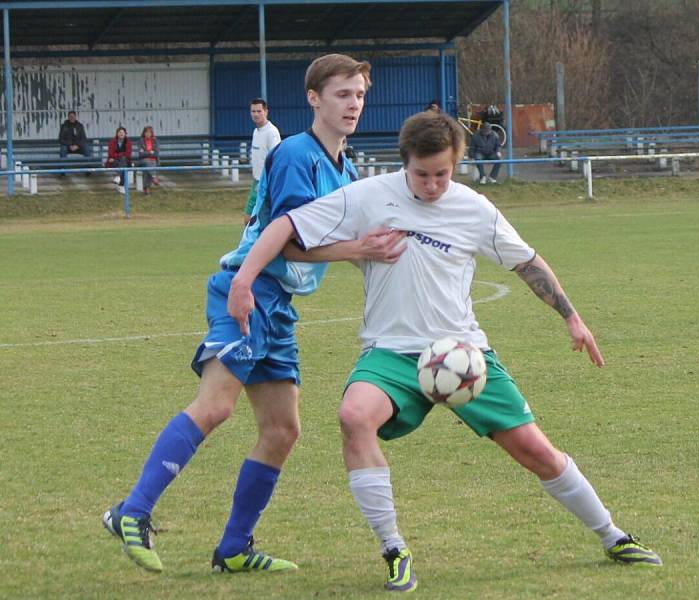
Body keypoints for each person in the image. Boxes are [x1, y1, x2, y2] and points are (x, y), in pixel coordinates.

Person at [228, 110, 663, 593]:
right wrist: (245, 279)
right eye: (422, 174)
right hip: (391, 353)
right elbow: (283, 226)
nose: (433, 185)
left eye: (443, 174)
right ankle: (394, 548)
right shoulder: (368, 195)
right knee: (354, 416)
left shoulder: (474, 208)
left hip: (462, 354)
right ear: (404, 163)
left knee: (537, 452)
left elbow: (527, 262)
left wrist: (572, 317)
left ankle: (613, 535)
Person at [101, 53, 406, 575]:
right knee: (215, 405)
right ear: (313, 98)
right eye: (341, 94)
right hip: (250, 290)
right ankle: (133, 511)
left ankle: (235, 548)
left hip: (280, 306)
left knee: (282, 429)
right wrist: (357, 249)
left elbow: (360, 235)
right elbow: (287, 242)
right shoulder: (296, 155)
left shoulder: (347, 168)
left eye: (359, 94)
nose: (353, 103)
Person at [243, 98, 281, 223]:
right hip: (257, 181)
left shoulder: (271, 132)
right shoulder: (256, 131)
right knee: (250, 220)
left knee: (253, 219)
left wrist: (269, 182)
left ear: (266, 112)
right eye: (253, 111)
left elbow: (277, 159)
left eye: (259, 111)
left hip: (266, 183)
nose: (255, 114)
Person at [106, 127, 133, 193]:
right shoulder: (112, 141)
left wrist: (117, 155)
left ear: (125, 134)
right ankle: (121, 186)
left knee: (123, 161)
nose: (121, 134)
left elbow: (128, 154)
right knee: (124, 165)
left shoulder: (128, 142)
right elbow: (110, 153)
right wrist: (121, 154)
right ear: (117, 134)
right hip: (113, 162)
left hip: (122, 161)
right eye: (119, 132)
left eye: (122, 132)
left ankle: (118, 176)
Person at [138, 126, 160, 195]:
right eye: (146, 132)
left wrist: (146, 152)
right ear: (144, 133)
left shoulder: (155, 140)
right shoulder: (141, 141)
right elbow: (140, 154)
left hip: (153, 160)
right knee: (147, 162)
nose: (148, 134)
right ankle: (154, 177)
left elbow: (156, 153)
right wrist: (150, 152)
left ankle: (146, 189)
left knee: (147, 169)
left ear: (152, 133)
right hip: (143, 160)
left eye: (150, 132)